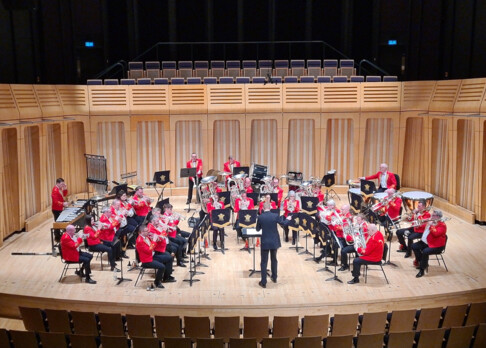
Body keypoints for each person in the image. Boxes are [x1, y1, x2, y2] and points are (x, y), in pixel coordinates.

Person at [256, 202, 288, 288]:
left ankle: (263, 282)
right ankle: (274, 277)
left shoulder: (260, 217)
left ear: (262, 208)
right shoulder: (275, 216)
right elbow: (284, 223)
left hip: (265, 241)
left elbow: (258, 229)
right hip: (274, 241)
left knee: (263, 262)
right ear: (270, 207)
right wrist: (288, 218)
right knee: (274, 259)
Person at [412, 210, 447, 278]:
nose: (431, 217)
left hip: (436, 245)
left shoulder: (442, 225)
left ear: (438, 217)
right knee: (414, 246)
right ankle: (421, 262)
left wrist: (431, 226)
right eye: (432, 215)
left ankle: (422, 270)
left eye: (433, 216)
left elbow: (436, 234)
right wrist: (422, 222)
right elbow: (421, 226)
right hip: (426, 242)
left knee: (425, 251)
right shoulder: (431, 222)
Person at [146, 216, 176, 282]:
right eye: (157, 221)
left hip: (160, 248)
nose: (158, 222)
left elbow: (162, 235)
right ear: (152, 221)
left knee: (169, 255)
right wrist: (164, 230)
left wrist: (165, 229)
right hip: (156, 250)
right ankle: (166, 277)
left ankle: (167, 274)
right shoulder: (150, 229)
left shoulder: (154, 226)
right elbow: (160, 238)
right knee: (169, 257)